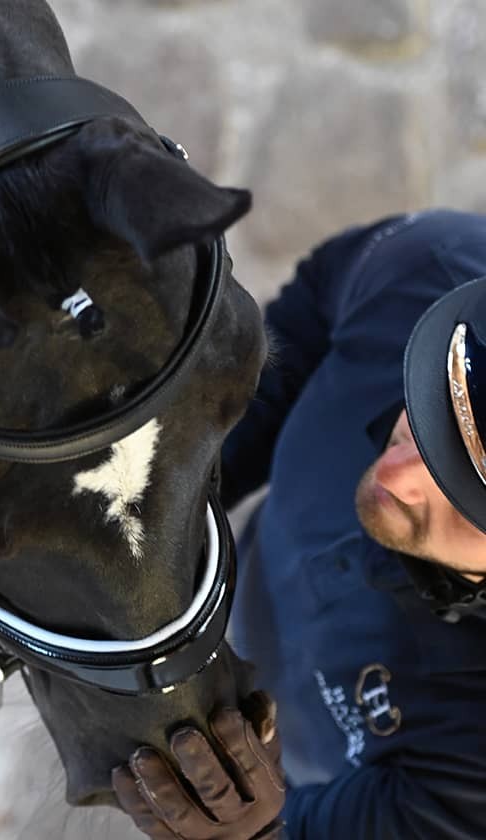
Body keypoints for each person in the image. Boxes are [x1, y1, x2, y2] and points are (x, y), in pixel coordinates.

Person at [113, 208, 486, 839]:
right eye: (421, 415)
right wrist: (195, 470)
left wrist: (258, 831)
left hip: (295, 762)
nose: (393, 474)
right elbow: (319, 300)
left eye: (460, 490)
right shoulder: (436, 271)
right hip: (246, 573)